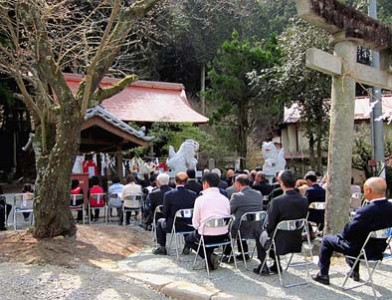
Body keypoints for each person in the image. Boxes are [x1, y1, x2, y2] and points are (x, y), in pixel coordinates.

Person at [312, 177, 392, 285]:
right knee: (358, 239)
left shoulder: (365, 212)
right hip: (379, 250)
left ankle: (323, 274)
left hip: (362, 251)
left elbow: (348, 234)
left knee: (327, 239)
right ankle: (354, 271)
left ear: (368, 190)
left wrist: (342, 234)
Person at [253, 170, 308, 275]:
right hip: (296, 239)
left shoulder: (277, 201)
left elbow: (269, 226)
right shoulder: (304, 200)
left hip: (278, 242)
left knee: (259, 231)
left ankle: (263, 265)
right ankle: (276, 264)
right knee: (274, 232)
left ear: (281, 182)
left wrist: (265, 227)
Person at [185, 173, 231, 270]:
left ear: (206, 183)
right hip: (224, 236)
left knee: (189, 239)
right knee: (204, 232)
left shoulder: (200, 199)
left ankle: (209, 257)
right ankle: (210, 258)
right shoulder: (225, 199)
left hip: (206, 237)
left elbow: (195, 224)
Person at [153, 172, 197, 255]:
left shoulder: (169, 195)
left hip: (173, 225)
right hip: (189, 226)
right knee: (185, 220)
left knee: (159, 221)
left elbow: (165, 213)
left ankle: (162, 247)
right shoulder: (193, 194)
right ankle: (187, 245)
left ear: (175, 181)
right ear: (186, 182)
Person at [225, 174, 263, 261]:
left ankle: (228, 255)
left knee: (228, 227)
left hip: (241, 229)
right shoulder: (258, 194)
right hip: (257, 228)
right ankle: (244, 253)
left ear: (238, 183)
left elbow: (229, 212)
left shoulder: (237, 196)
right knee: (241, 221)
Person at [305, 173, 326, 237]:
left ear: (308, 180)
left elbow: (305, 203)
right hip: (322, 214)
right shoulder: (323, 190)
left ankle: (310, 232)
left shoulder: (309, 191)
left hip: (312, 215)